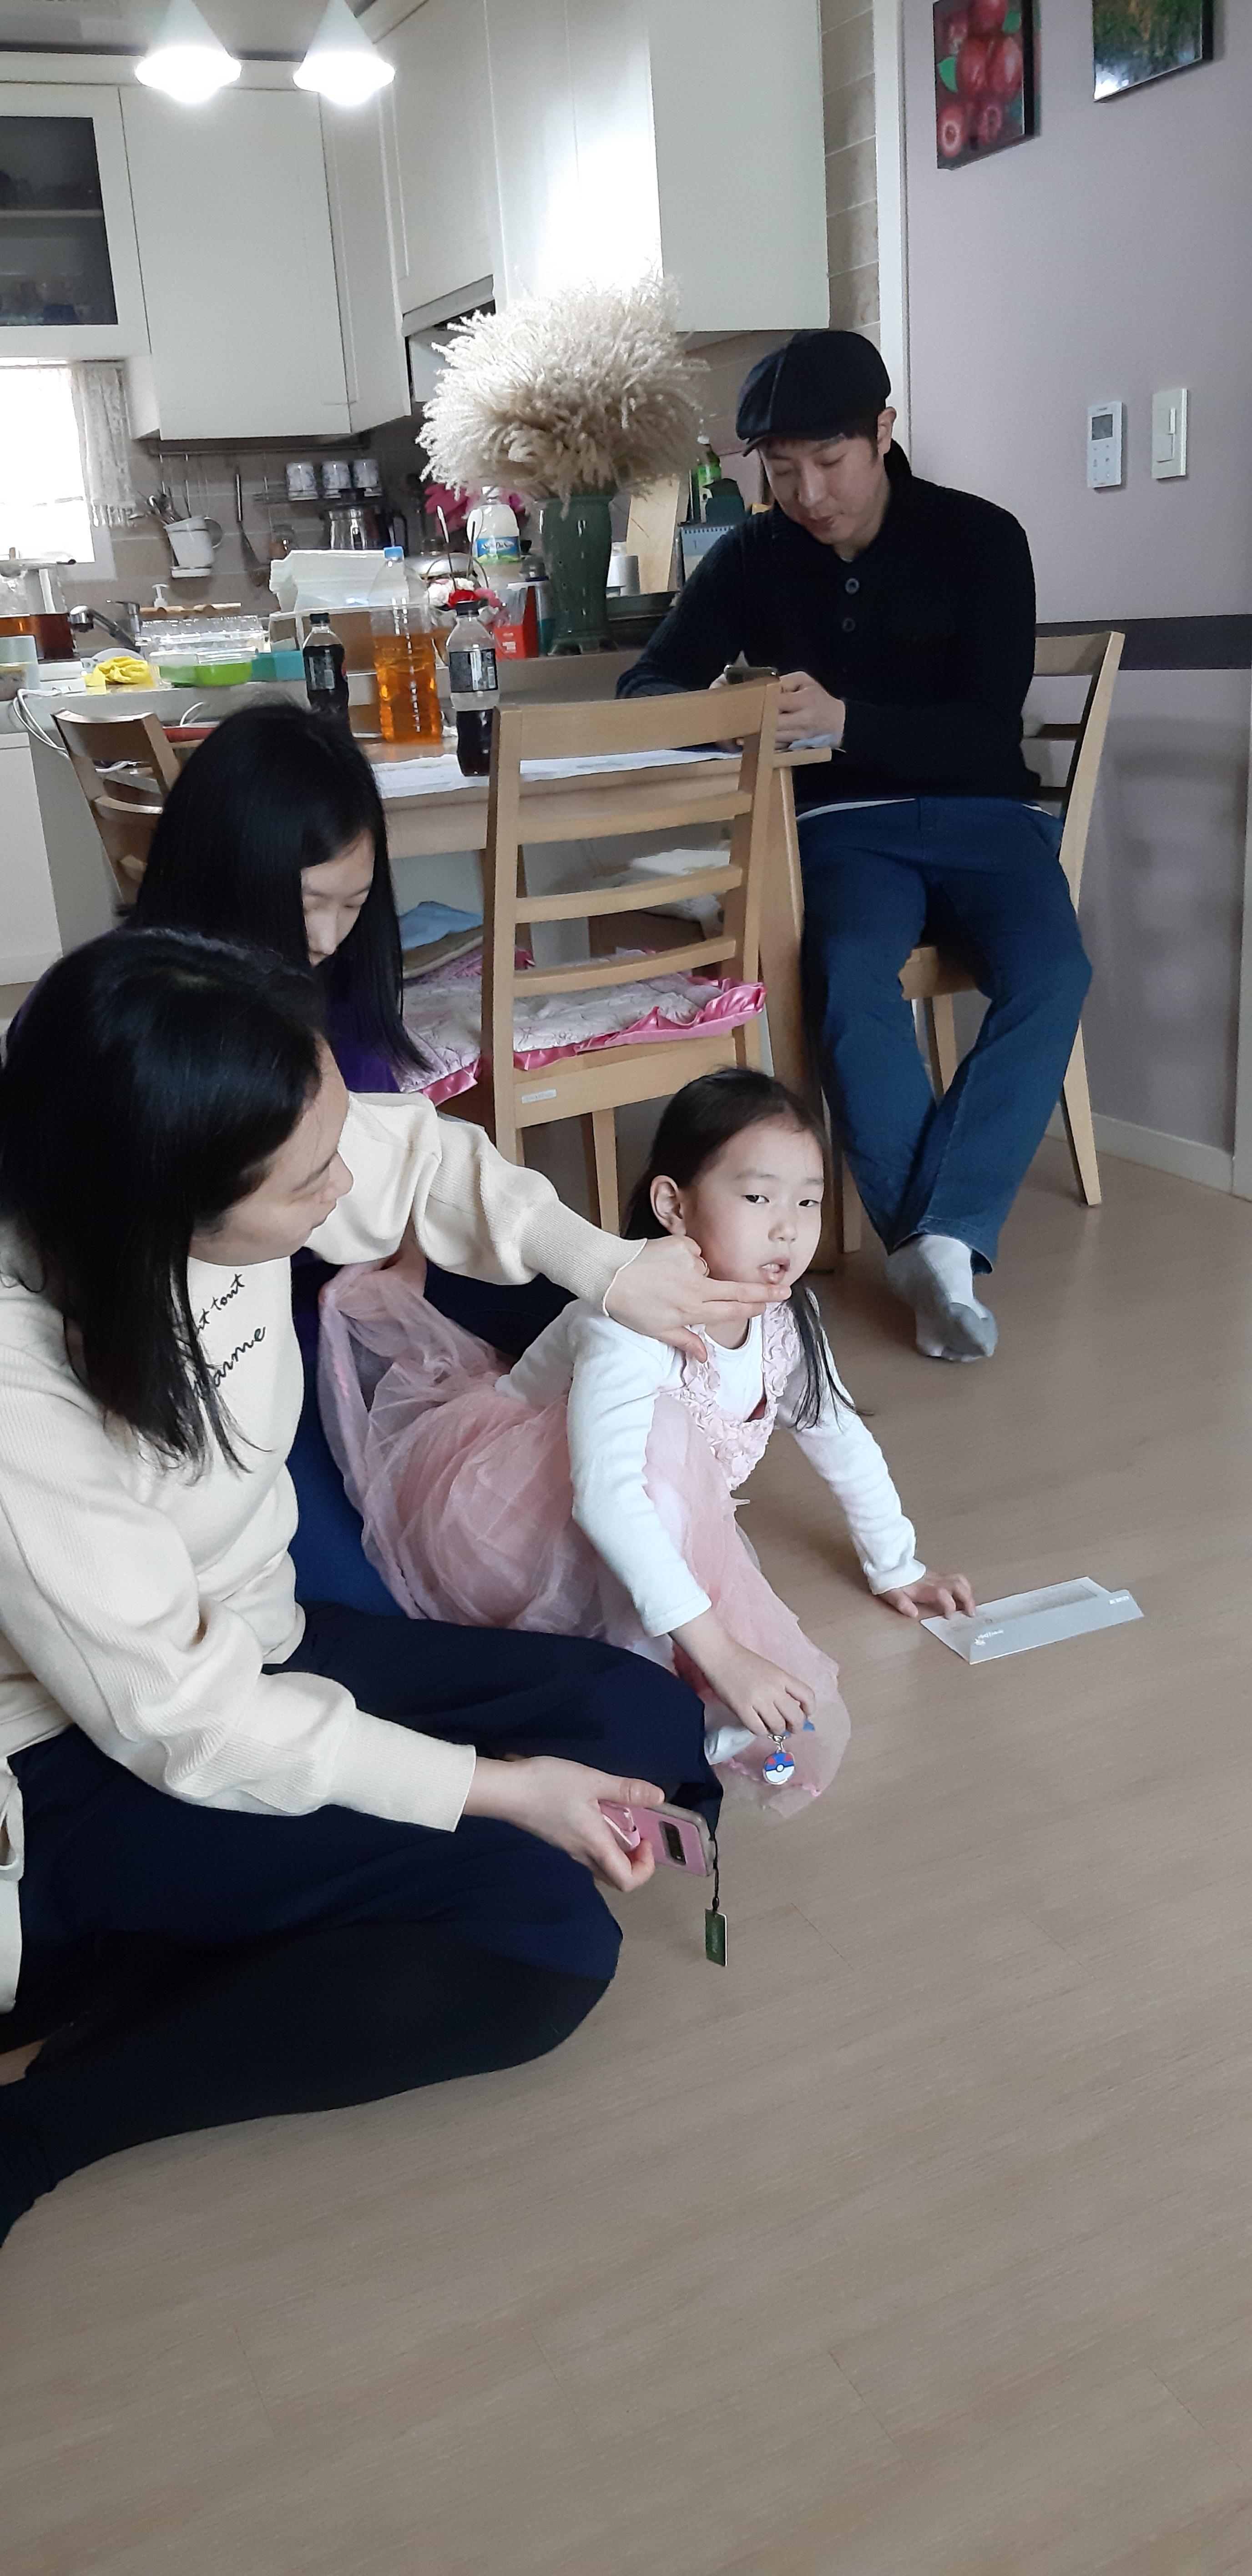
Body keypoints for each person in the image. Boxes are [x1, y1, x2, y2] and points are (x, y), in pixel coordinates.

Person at [0, 931, 774, 2249]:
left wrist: (608, 1267)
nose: (346, 1183)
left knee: (645, 1718)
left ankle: (244, 1934)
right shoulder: (23, 1389)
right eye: (310, 1179)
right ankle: (49, 2121)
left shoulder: (208, 1142)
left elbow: (415, 1155)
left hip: (266, 1639)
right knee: (539, 1933)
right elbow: (188, 1722)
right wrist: (500, 1792)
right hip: (78, 1763)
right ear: (165, 1207)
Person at [619, 330, 1093, 1364]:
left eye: (828, 462)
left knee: (1055, 972)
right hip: (843, 831)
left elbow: (987, 726)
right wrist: (735, 714)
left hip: (987, 816)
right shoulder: (752, 555)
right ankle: (940, 1251)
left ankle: (936, 1235)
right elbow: (646, 686)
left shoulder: (981, 538)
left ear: (882, 431)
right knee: (843, 972)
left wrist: (846, 722)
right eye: (781, 471)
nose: (807, 494)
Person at [318, 1070, 974, 1811]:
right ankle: (655, 1683)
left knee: (670, 1484)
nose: (788, 1228)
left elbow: (839, 1433)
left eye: (808, 1201)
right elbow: (610, 1501)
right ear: (674, 1206)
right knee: (659, 1456)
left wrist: (896, 1564)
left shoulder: (786, 1319)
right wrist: (722, 1656)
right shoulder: (627, 1328)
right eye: (758, 1198)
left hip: (639, 1510)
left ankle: (669, 1667)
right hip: (504, 1516)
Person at [134, 702, 568, 1610]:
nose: (331, 937)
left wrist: (402, 1255)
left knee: (580, 1316)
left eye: (354, 904)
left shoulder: (341, 987)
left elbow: (402, 1159)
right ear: (228, 875)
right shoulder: (153, 1020)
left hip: (351, 1270)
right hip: (250, 1311)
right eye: (308, 907)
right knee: (342, 1592)